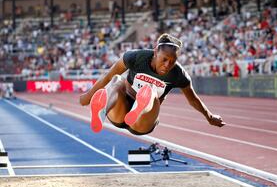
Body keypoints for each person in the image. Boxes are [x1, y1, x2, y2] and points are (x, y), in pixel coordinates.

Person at [79, 33, 225, 135]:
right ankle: (101, 111)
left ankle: (139, 108)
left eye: (172, 61)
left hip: (143, 122)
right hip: (121, 111)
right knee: (117, 80)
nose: (168, 65)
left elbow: (192, 99)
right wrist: (88, 97)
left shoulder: (178, 74)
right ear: (155, 52)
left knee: (151, 91)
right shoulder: (136, 57)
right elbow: (108, 76)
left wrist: (209, 116)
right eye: (164, 59)